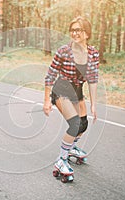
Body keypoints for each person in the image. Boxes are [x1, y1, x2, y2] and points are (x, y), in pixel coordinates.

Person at [43, 16, 99, 180]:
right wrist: (47, 100)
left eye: (79, 30)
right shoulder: (63, 51)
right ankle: (61, 160)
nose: (75, 33)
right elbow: (50, 76)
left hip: (78, 91)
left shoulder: (93, 53)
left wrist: (94, 105)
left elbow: (93, 79)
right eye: (73, 30)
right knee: (74, 125)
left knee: (83, 124)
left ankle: (71, 148)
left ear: (87, 33)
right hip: (62, 89)